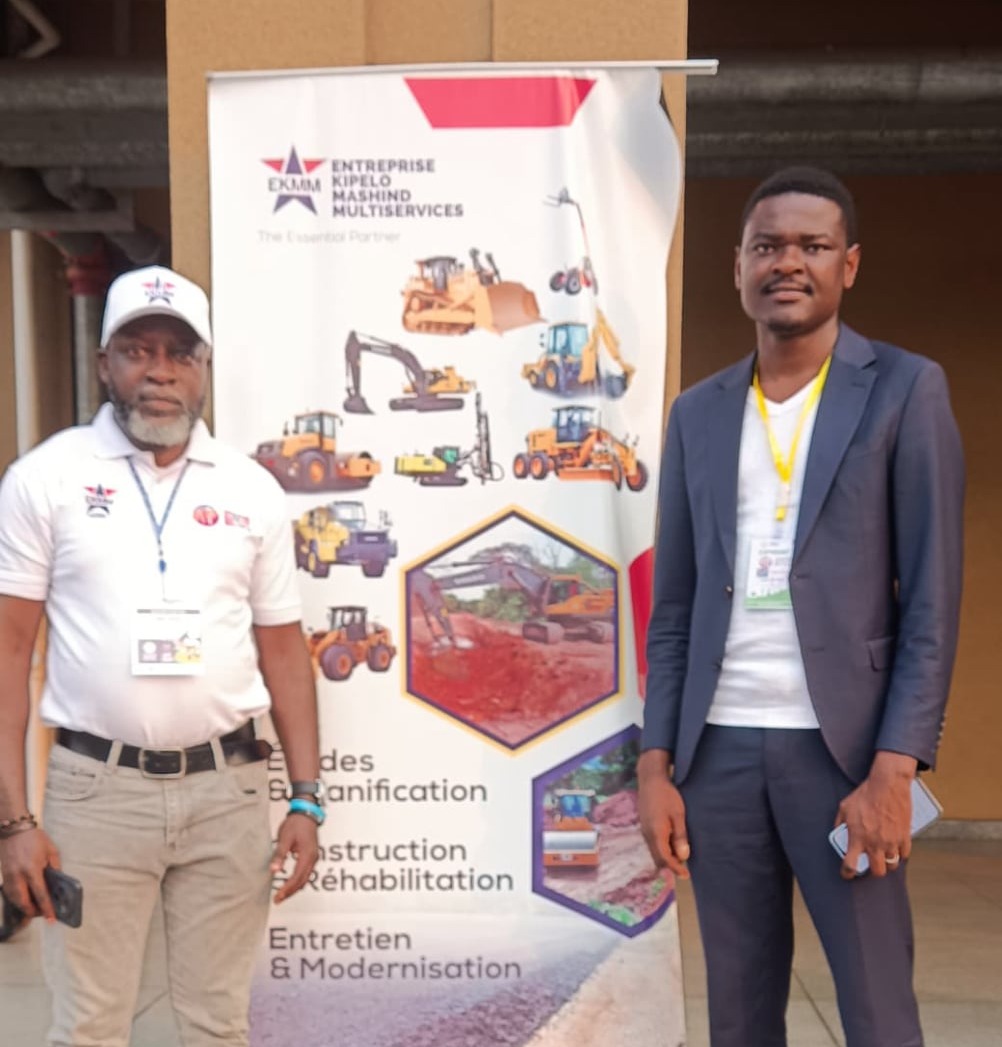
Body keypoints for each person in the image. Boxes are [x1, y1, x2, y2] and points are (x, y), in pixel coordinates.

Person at [639, 167, 964, 1047]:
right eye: (767, 246)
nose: (788, 262)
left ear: (848, 265)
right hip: (718, 756)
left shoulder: (904, 390)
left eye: (812, 246)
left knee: (878, 1013)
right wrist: (657, 765)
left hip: (846, 759)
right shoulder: (698, 414)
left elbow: (932, 602)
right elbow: (675, 609)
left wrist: (895, 769)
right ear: (737, 266)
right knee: (739, 1016)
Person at [0, 265, 324, 1046]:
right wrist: (12, 820)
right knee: (89, 1026)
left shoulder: (250, 489)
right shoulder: (47, 478)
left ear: (204, 368)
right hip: (96, 795)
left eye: (180, 353)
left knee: (217, 1024)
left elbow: (284, 649)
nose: (160, 371)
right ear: (105, 363)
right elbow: (8, 647)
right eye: (138, 350)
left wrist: (307, 797)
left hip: (228, 792)